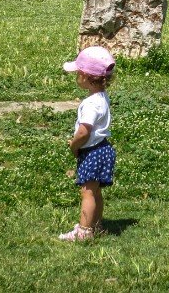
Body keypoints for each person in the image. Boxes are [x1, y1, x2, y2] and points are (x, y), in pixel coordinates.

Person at [59, 46, 117, 241]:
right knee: (96, 192)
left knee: (87, 193)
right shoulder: (101, 97)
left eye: (77, 73)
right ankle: (96, 224)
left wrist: (74, 145)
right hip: (103, 148)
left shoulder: (91, 104)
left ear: (84, 76)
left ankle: (84, 232)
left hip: (92, 151)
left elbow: (84, 131)